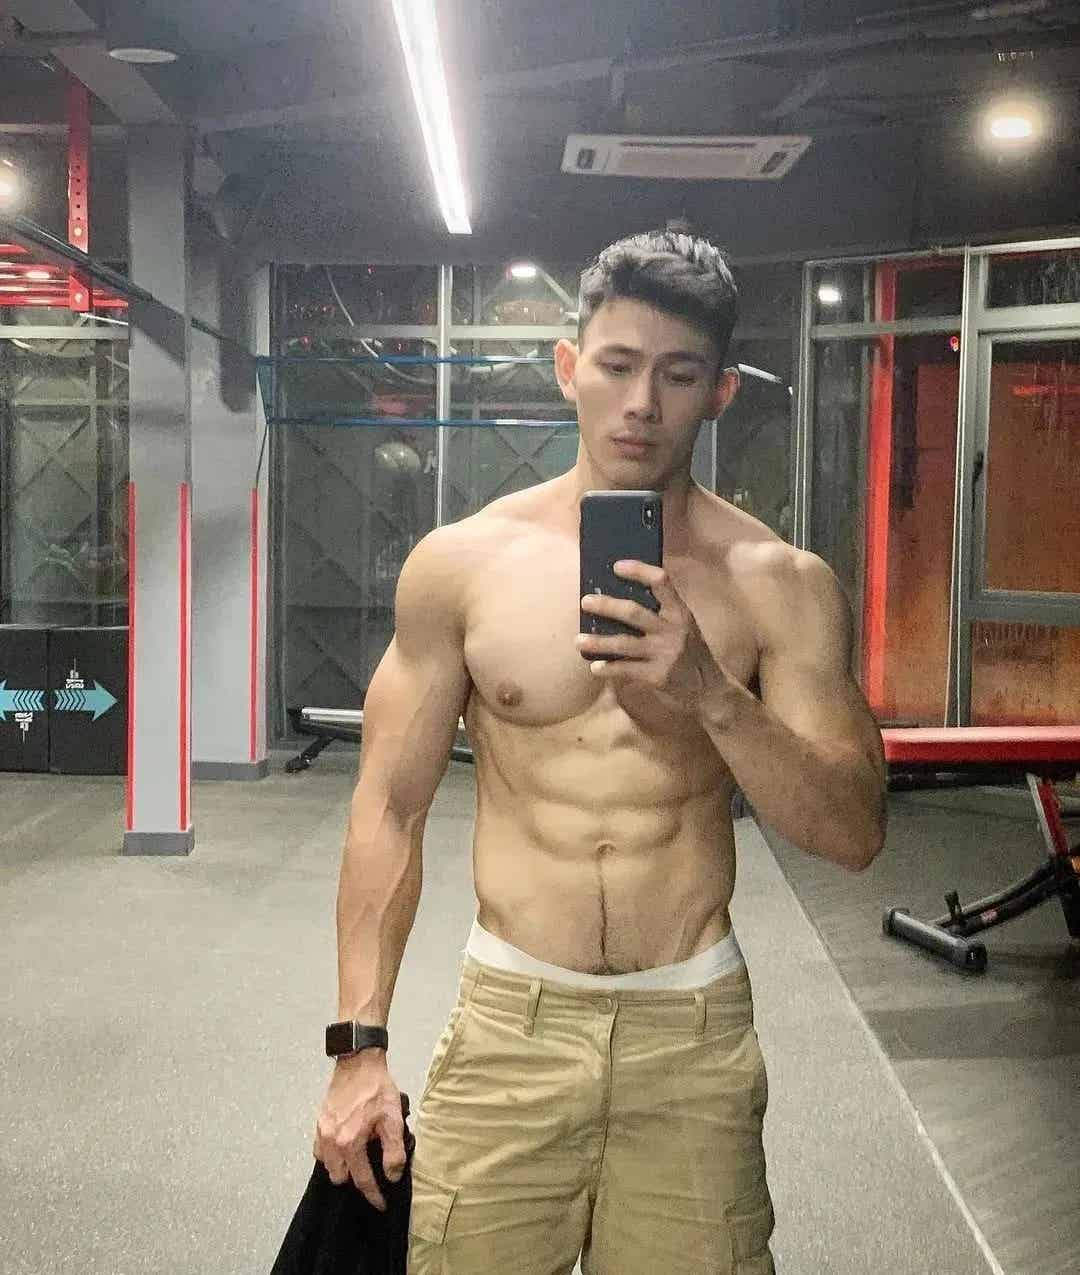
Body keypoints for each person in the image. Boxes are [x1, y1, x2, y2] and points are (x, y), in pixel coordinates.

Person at [312, 228, 887, 1274]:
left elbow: (853, 832)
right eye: (617, 366)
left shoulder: (780, 583)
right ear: (568, 367)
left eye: (679, 375)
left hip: (692, 1032)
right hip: (509, 1024)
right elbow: (388, 809)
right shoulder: (463, 566)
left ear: (721, 392)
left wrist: (712, 695)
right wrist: (360, 1047)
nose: (642, 404)